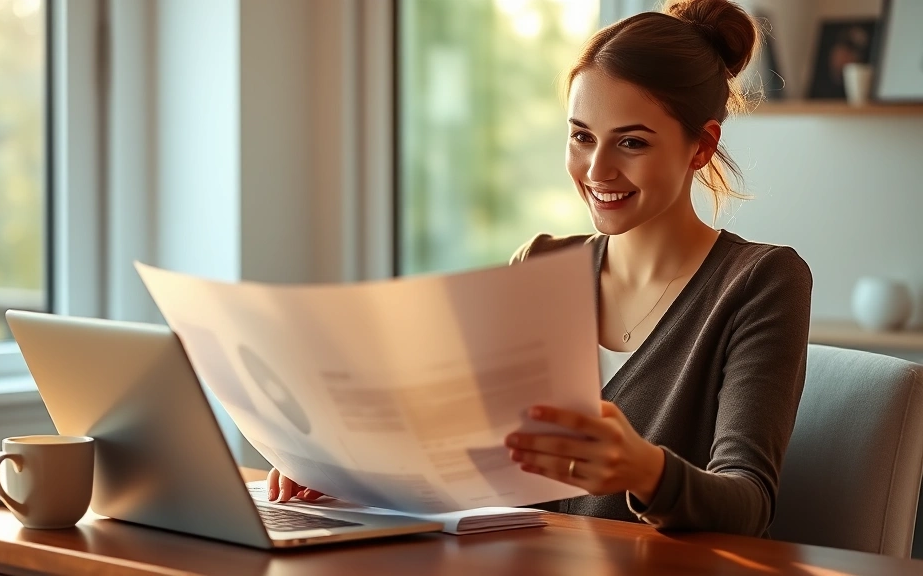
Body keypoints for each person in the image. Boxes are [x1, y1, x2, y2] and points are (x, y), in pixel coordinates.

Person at [267, 0, 812, 538]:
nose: (597, 170)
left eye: (632, 142)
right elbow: (467, 453)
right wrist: (347, 470)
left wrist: (645, 470)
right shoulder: (544, 263)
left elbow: (749, 503)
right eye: (581, 136)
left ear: (702, 146)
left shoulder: (761, 282)